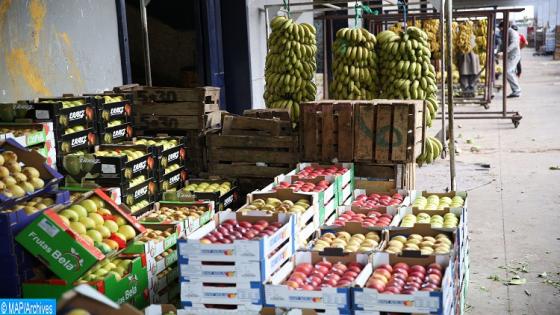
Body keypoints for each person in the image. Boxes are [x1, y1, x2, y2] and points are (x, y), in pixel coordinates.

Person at [499, 22, 522, 98]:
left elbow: (514, 44)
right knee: (508, 72)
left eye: (501, 28)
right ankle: (516, 90)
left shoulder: (512, 32)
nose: (500, 29)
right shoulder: (504, 32)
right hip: (510, 55)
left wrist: (505, 51)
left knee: (507, 71)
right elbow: (502, 44)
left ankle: (517, 90)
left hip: (514, 55)